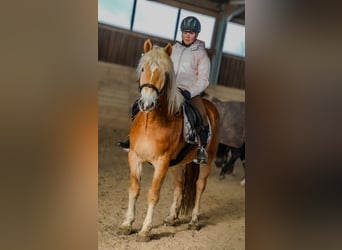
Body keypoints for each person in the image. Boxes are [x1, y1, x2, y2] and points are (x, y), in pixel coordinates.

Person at [117, 16, 211, 164]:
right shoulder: (173, 49)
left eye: (191, 33)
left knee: (202, 115)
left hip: (189, 91)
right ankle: (132, 138)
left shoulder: (201, 54)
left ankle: (201, 149)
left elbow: (204, 80)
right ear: (181, 32)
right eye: (185, 31)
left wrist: (189, 92)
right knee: (138, 105)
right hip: (168, 89)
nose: (188, 35)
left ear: (197, 35)